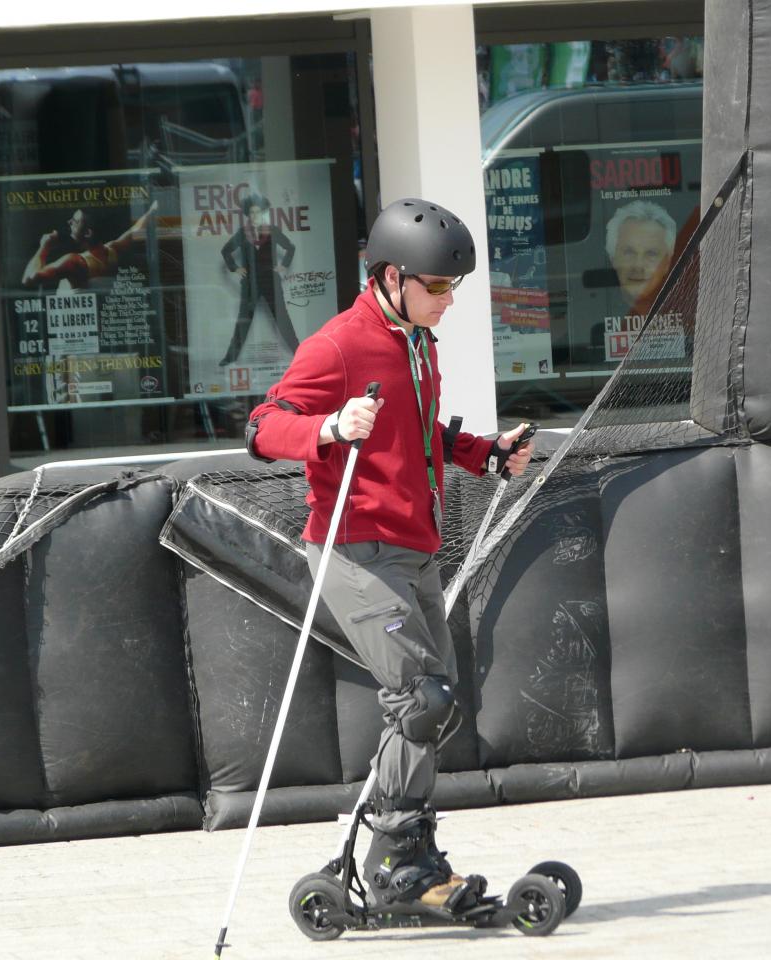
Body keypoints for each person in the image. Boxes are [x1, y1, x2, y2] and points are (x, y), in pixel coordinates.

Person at [245, 197, 534, 912]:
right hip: (354, 550)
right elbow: (261, 427)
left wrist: (485, 455)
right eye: (435, 286)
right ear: (390, 276)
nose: (446, 301)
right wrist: (331, 426)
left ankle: (405, 861)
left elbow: (416, 433)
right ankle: (398, 865)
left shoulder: (416, 343)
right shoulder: (340, 345)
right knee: (421, 697)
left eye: (452, 289)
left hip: (413, 548)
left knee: (435, 708)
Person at [219, 192, 299, 366]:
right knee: (243, 321)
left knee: (282, 319)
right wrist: (235, 268)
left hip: (271, 282)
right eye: (252, 212)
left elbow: (290, 248)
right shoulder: (243, 233)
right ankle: (231, 357)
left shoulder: (272, 231)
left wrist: (283, 265)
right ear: (248, 214)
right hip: (250, 284)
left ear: (263, 213)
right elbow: (225, 251)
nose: (255, 215)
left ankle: (299, 353)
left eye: (258, 212)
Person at [21, 200, 158, 290]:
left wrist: (44, 246)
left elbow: (28, 279)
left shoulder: (74, 262)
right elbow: (134, 230)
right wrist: (151, 212)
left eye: (75, 221)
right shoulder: (112, 251)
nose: (69, 222)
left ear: (87, 233)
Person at [605, 199, 677, 315]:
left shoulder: (689, 313)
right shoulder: (592, 317)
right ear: (613, 258)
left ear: (667, 263)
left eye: (651, 254)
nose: (638, 265)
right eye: (629, 252)